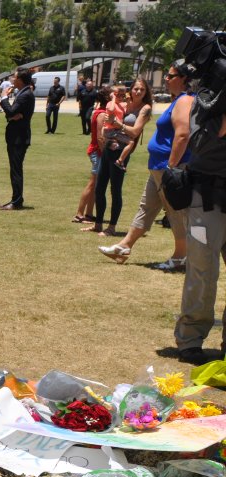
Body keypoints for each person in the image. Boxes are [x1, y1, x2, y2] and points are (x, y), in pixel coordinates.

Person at [98, 61, 194, 270]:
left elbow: (183, 135)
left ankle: (180, 257)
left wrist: (171, 167)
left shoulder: (185, 100)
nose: (166, 79)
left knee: (175, 212)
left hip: (168, 167)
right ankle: (124, 246)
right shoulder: (177, 100)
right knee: (147, 207)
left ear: (184, 79)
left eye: (170, 76)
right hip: (157, 167)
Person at [173, 82, 226, 365]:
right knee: (203, 272)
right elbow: (199, 144)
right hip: (206, 200)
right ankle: (191, 339)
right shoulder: (205, 100)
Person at [83, 80, 153, 237]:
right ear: (131, 89)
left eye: (142, 89)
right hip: (109, 148)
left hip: (121, 153)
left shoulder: (145, 109)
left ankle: (112, 227)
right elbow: (110, 111)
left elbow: (134, 132)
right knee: (99, 187)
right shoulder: (125, 101)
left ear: (145, 92)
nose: (138, 92)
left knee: (115, 189)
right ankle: (98, 224)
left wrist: (117, 123)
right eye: (136, 88)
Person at [73, 87, 111, 225]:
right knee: (92, 183)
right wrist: (106, 155)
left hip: (96, 151)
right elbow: (101, 138)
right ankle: (79, 214)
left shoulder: (100, 112)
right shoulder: (101, 114)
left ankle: (89, 214)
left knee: (95, 185)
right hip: (98, 151)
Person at [0, 70, 35, 210]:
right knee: (15, 169)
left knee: (16, 170)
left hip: (19, 138)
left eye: (15, 76)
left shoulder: (25, 94)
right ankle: (15, 199)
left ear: (21, 79)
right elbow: (12, 114)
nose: (13, 79)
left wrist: (3, 98)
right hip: (16, 137)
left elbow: (12, 111)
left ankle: (17, 201)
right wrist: (11, 116)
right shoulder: (23, 92)